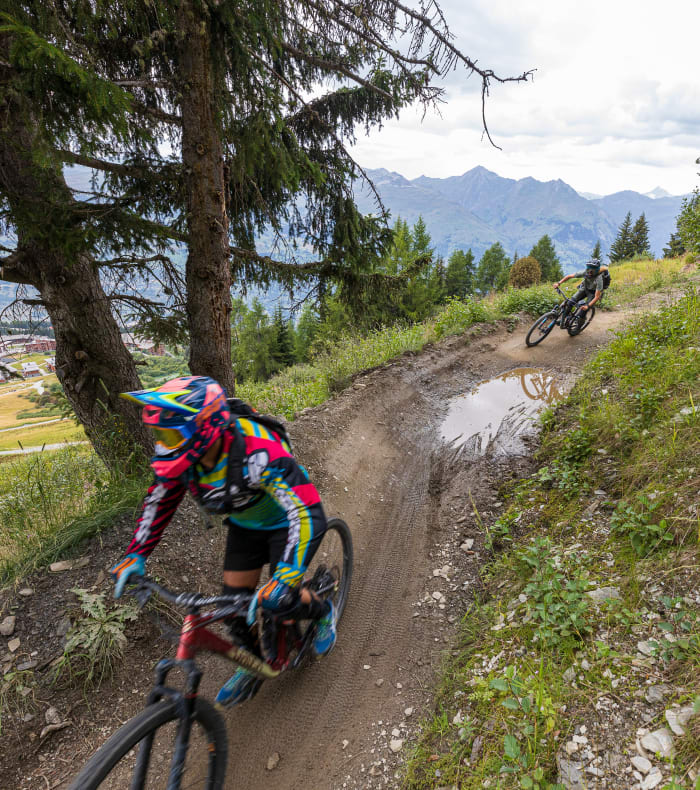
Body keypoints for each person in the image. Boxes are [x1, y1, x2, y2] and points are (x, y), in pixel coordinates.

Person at [109, 376, 336, 708]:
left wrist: (285, 576)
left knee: (278, 598)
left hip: (288, 522)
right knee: (233, 607)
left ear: (205, 428)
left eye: (172, 435)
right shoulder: (186, 464)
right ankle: (253, 660)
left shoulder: (259, 454)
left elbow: (307, 511)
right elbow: (158, 502)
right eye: (161, 435)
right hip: (246, 526)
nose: (165, 445)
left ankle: (322, 610)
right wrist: (136, 554)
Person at [554, 258, 605, 325]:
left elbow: (597, 296)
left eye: (592, 269)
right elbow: (570, 276)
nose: (590, 271)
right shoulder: (585, 272)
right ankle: (562, 320)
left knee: (583, 310)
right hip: (585, 288)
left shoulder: (599, 279)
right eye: (589, 268)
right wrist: (558, 283)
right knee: (570, 303)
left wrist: (587, 306)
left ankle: (580, 324)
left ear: (596, 270)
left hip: (593, 293)